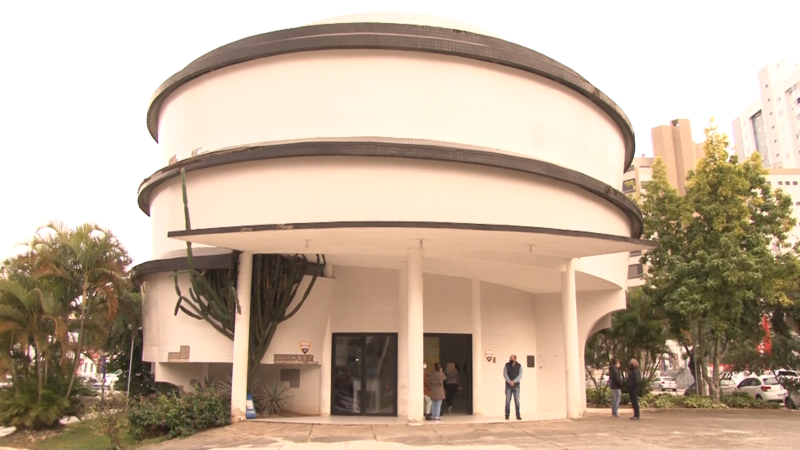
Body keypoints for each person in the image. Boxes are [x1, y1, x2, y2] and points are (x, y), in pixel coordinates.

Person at [504, 354, 522, 420]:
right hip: (508, 386)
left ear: (515, 359)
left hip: (516, 386)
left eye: (512, 358)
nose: (510, 359)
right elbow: (505, 374)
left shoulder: (519, 366)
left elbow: (520, 375)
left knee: (517, 401)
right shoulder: (507, 365)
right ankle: (507, 415)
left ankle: (518, 415)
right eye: (510, 358)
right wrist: (509, 381)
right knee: (508, 400)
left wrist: (514, 381)